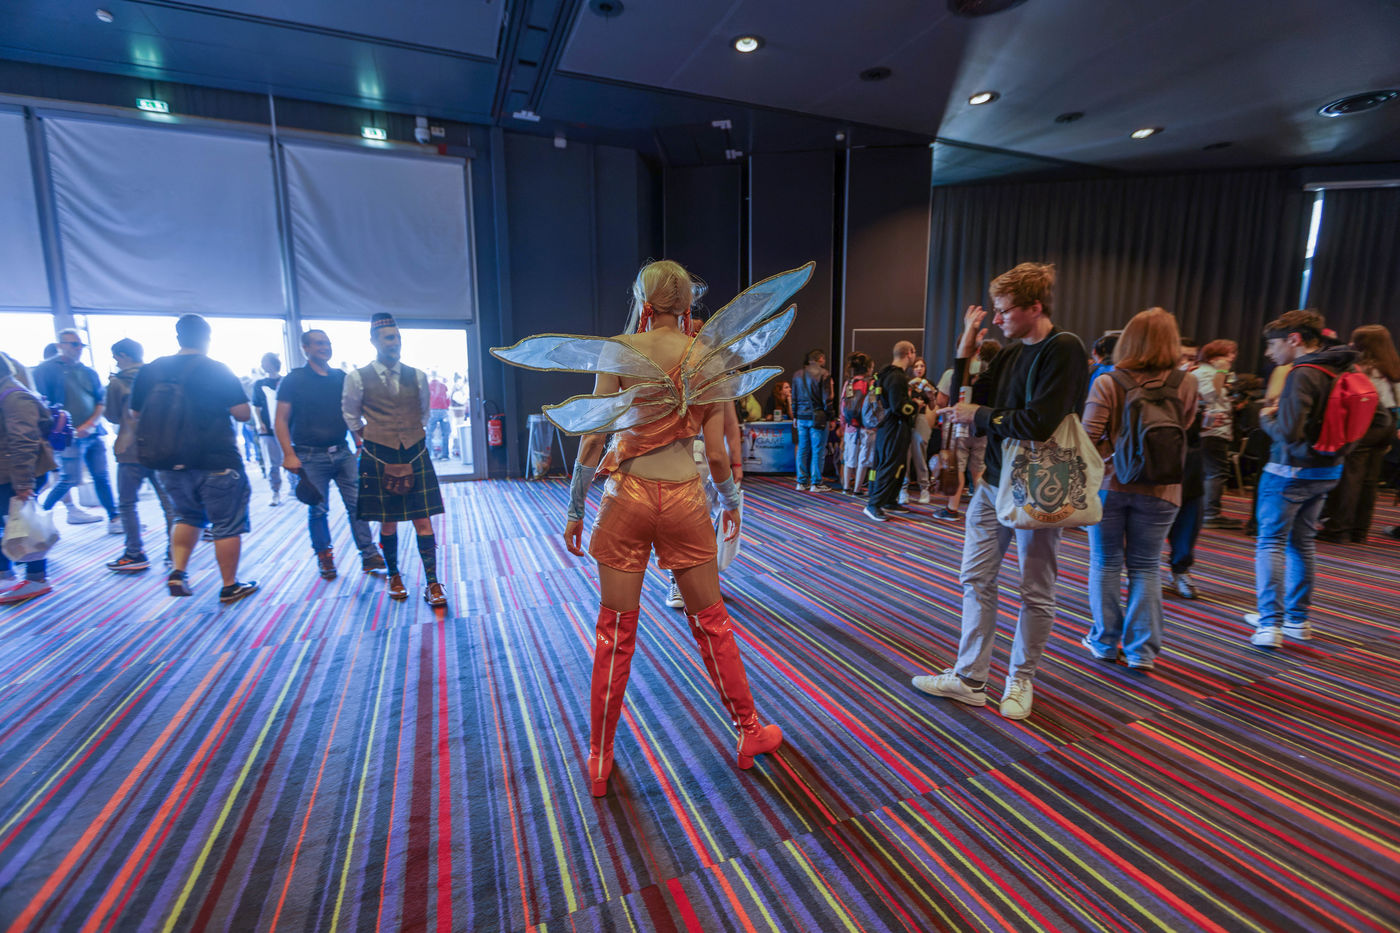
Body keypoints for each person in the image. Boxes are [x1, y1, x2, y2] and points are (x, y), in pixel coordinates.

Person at [492, 259, 804, 797]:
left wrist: (574, 508)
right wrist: (730, 502)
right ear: (687, 305)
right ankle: (749, 730)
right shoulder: (708, 356)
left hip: (627, 498)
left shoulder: (619, 350)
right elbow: (718, 455)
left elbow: (594, 437)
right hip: (685, 499)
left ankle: (600, 757)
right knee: (713, 623)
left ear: (644, 302)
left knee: (614, 632)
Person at [911, 262, 1088, 720]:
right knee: (975, 579)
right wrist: (964, 351)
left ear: (1035, 307)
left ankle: (1020, 678)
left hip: (1039, 485)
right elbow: (966, 399)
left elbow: (1039, 421)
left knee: (1035, 589)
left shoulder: (1063, 348)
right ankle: (970, 678)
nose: (998, 317)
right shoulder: (1009, 355)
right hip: (992, 483)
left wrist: (982, 416)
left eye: (1005, 310)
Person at [1081, 308, 1197, 670]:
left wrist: (1110, 452)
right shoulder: (1187, 383)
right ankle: (1141, 652)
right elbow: (1184, 427)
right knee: (1146, 567)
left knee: (1106, 563)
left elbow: (1087, 437)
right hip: (1163, 487)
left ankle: (1104, 642)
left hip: (1111, 485)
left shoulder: (1108, 381)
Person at [1246, 310, 1358, 647]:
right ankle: (1297, 620)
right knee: (1302, 543)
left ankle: (1269, 624)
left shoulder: (1303, 372)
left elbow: (1288, 433)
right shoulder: (1343, 367)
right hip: (1328, 469)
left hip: (1288, 471)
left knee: (1271, 543)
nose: (1269, 353)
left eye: (1273, 345)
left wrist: (1266, 417)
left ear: (1294, 340)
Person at [129, 314, 258, 603]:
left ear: (178, 337)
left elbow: (136, 413)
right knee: (226, 525)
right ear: (207, 338)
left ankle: (178, 571)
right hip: (217, 459)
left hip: (169, 461)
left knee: (186, 516)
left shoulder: (151, 370)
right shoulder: (217, 369)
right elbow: (242, 413)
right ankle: (229, 586)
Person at [342, 312, 448, 607]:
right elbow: (351, 414)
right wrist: (374, 436)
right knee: (387, 522)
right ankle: (394, 576)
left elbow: (424, 414)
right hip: (379, 454)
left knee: (423, 520)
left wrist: (408, 434)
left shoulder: (418, 375)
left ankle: (432, 583)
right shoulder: (357, 377)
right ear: (374, 341)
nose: (395, 342)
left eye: (398, 337)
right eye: (389, 338)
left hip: (414, 452)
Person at [277, 329, 386, 580]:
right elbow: (280, 420)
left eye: (327, 343)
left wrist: (359, 442)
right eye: (318, 343)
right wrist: (288, 454)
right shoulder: (293, 380)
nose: (325, 347)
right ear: (305, 348)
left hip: (342, 452)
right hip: (309, 456)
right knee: (318, 509)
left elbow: (351, 413)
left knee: (358, 504)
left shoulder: (340, 377)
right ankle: (325, 556)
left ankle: (369, 554)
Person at [1317, 325, 1400, 543]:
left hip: (1368, 421)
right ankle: (1359, 530)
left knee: (1350, 476)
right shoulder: (1393, 367)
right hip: (1389, 423)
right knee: (1369, 480)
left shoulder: (1361, 367)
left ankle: (1338, 529)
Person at [32, 327, 118, 531]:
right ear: (60, 345)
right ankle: (39, 518)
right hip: (67, 436)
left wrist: (91, 424)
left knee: (101, 476)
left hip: (93, 433)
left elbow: (100, 401)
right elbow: (43, 404)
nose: (79, 348)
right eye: (74, 344)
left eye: (81, 345)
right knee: (69, 479)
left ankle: (114, 518)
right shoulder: (45, 370)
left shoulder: (89, 372)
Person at [104, 338, 175, 572]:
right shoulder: (160, 377)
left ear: (123, 356)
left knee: (127, 503)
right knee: (169, 503)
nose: (115, 361)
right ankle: (175, 551)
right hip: (161, 447)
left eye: (116, 356)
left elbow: (112, 416)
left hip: (130, 449)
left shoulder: (117, 383)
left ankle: (134, 553)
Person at [0, 355, 58, 603]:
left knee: (25, 525)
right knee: (10, 524)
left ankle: (37, 578)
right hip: (9, 471)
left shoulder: (14, 396)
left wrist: (23, 483)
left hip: (16, 474)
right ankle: (6, 574)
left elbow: (23, 442)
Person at [933, 339, 1000, 521]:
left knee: (957, 467)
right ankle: (982, 509)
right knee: (979, 469)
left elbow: (941, 401)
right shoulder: (994, 374)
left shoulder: (953, 373)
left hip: (959, 425)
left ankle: (952, 509)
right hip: (983, 424)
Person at [1165, 338, 1206, 598]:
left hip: (1188, 462)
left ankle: (1180, 570)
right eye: (1182, 357)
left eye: (1192, 358)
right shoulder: (1145, 381)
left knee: (1189, 519)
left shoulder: (1194, 383)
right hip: (1151, 466)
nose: (1187, 363)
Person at [863, 340, 916, 522]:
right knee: (890, 465)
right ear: (909, 352)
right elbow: (898, 406)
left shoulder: (884, 374)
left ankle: (889, 500)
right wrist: (915, 405)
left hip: (886, 426)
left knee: (893, 465)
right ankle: (874, 504)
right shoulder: (897, 377)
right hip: (895, 427)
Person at [1195, 339, 1239, 528]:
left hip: (1214, 429)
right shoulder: (1204, 373)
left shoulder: (1212, 373)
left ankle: (1207, 512)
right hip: (1211, 429)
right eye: (1227, 354)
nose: (1232, 358)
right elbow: (1210, 395)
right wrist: (1221, 372)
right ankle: (1211, 514)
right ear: (1213, 357)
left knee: (1212, 471)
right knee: (1216, 472)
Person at [791, 351, 833, 491]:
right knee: (818, 450)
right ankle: (816, 483)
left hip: (801, 417)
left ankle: (801, 482)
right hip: (818, 417)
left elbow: (794, 398)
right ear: (820, 358)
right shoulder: (824, 374)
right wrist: (831, 417)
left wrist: (795, 415)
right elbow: (827, 399)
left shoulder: (797, 375)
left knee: (802, 449)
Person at [250, 353, 288, 505]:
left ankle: (295, 488)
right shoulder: (259, 384)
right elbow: (256, 406)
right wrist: (260, 423)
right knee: (273, 463)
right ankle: (275, 491)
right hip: (267, 428)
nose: (263, 365)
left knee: (291, 456)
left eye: (265, 362)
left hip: (286, 427)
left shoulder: (285, 381)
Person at [840, 353, 876, 495]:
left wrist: (843, 425)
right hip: (867, 427)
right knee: (864, 458)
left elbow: (843, 405)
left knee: (849, 456)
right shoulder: (871, 383)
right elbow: (873, 404)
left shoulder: (849, 383)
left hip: (851, 426)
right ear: (868, 368)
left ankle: (846, 487)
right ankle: (857, 489)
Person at [903, 357, 935, 504]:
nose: (919, 369)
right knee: (905, 454)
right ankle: (903, 489)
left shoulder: (928, 384)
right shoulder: (907, 383)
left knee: (920, 454)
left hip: (921, 419)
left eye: (922, 366)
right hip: (907, 418)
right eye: (916, 366)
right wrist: (914, 402)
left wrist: (931, 397)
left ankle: (924, 488)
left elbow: (932, 406)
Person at [427, 370, 452, 460]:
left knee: (429, 434)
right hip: (443, 412)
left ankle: (429, 455)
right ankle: (445, 455)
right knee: (445, 434)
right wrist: (446, 407)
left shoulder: (427, 386)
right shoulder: (443, 386)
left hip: (432, 411)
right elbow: (448, 399)